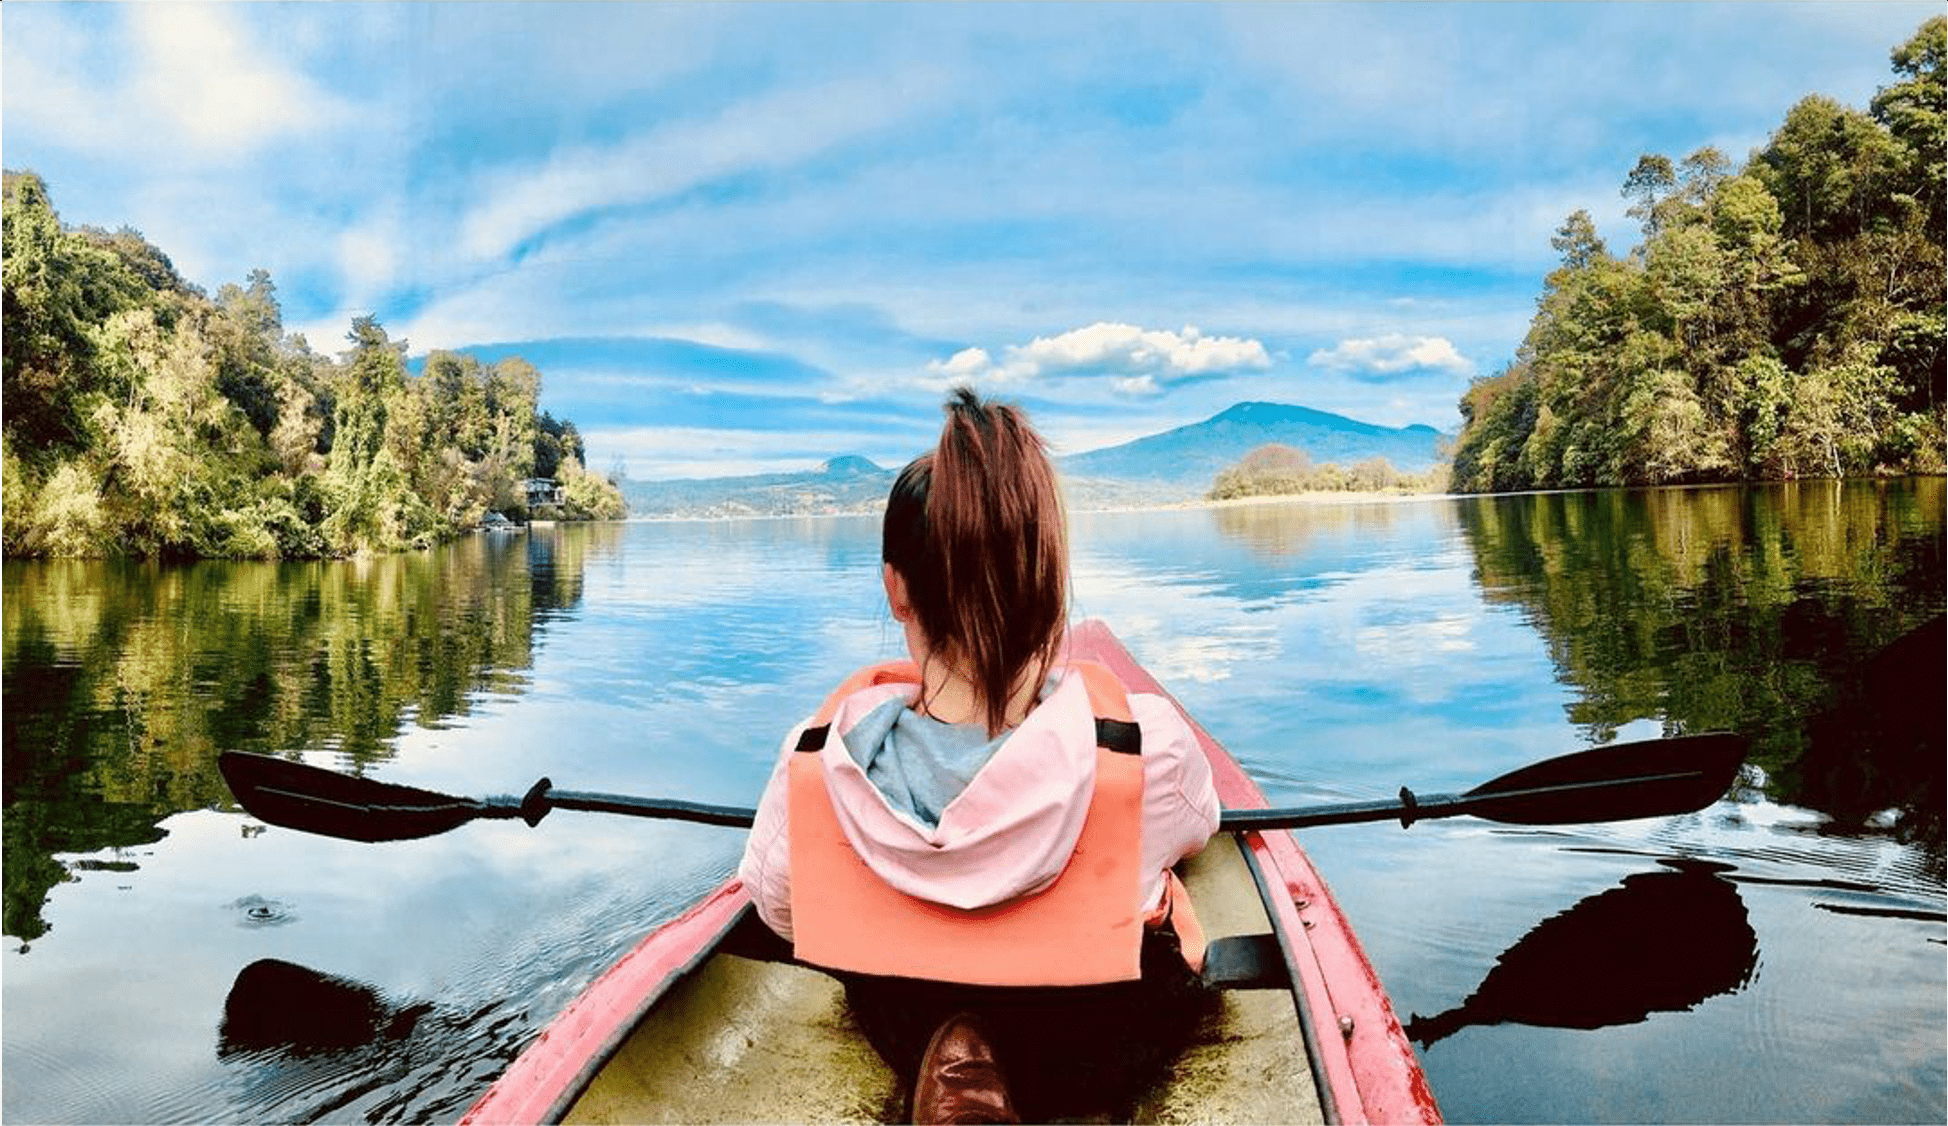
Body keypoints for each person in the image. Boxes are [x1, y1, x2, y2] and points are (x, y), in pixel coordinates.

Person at [738, 387, 1220, 1123]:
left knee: (892, 993)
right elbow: (1200, 824)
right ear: (1048, 581)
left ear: (896, 590)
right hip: (1088, 1045)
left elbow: (777, 907)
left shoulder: (815, 758)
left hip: (912, 1027)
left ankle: (956, 1057)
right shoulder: (1144, 746)